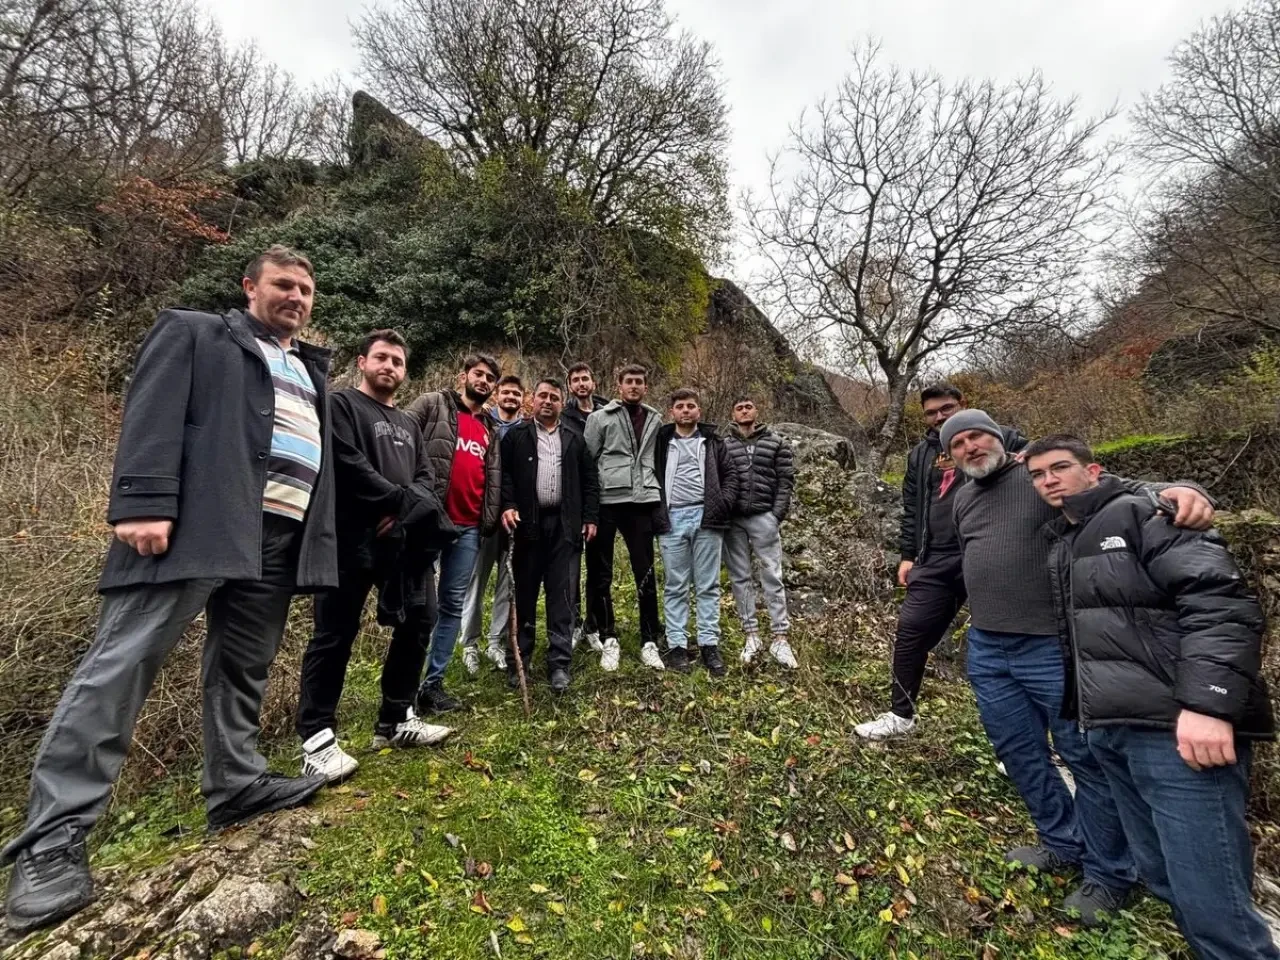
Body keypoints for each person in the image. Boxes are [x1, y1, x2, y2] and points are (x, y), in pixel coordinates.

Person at [3, 246, 337, 934]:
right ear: (250, 286)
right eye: (283, 284)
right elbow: (151, 412)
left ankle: (237, 783)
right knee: (122, 665)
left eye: (305, 290)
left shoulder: (307, 367)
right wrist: (142, 499)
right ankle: (51, 842)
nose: (296, 298)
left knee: (244, 665)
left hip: (276, 538)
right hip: (197, 522)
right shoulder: (194, 332)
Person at [946, 408, 1214, 925]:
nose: (970, 446)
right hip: (988, 647)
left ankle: (1110, 873)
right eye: (958, 442)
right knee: (1019, 753)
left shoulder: (1036, 478)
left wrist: (1181, 489)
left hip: (1054, 647)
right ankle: (1059, 841)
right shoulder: (962, 498)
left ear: (998, 437)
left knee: (1085, 758)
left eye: (978, 434)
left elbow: (1119, 488)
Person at [1028, 434, 1278, 960]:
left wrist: (1210, 705)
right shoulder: (1066, 540)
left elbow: (1221, 606)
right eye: (1038, 474)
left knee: (1217, 906)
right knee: (1165, 879)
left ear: (1092, 470)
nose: (1048, 480)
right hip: (1114, 730)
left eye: (1060, 468)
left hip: (1178, 736)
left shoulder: (1147, 514)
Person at [296, 329, 455, 784]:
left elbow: (426, 479)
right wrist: (395, 503)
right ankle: (317, 737)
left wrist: (403, 513)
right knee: (334, 634)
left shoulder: (407, 424)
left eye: (398, 362)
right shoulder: (341, 405)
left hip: (403, 542)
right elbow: (347, 464)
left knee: (419, 621)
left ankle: (395, 718)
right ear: (363, 362)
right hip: (350, 540)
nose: (390, 367)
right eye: (382, 358)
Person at [856, 384, 1024, 739]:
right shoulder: (920, 454)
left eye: (946, 408)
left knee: (1004, 643)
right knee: (911, 631)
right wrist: (907, 555)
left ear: (963, 405)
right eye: (931, 413)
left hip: (988, 553)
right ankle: (901, 715)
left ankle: (1022, 739)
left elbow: (1052, 463)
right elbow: (912, 508)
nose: (939, 417)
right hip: (935, 557)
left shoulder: (999, 438)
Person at [404, 355, 503, 713]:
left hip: (469, 528)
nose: (484, 380)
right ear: (463, 376)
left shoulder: (490, 427)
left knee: (451, 605)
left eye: (490, 377)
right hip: (429, 521)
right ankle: (404, 686)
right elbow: (401, 443)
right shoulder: (432, 405)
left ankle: (433, 685)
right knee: (417, 606)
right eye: (479, 374)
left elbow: (491, 476)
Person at [500, 379, 599, 693]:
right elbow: (503, 476)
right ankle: (520, 660)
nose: (548, 401)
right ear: (532, 399)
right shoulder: (516, 436)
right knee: (525, 595)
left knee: (563, 597)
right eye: (542, 395)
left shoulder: (575, 437)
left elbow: (590, 480)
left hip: (565, 527)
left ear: (561, 402)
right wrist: (508, 505)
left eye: (554, 397)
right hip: (527, 526)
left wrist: (590, 517)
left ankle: (559, 664)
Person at [583, 364, 664, 672]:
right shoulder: (599, 418)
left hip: (642, 502)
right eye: (629, 381)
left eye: (639, 382)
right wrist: (589, 509)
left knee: (645, 572)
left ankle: (649, 640)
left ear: (645, 386)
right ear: (619, 385)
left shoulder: (655, 418)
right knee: (600, 572)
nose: (634, 386)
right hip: (606, 502)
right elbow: (588, 463)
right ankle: (608, 637)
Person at [653, 389, 739, 675]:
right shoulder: (661, 442)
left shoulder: (713, 442)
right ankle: (677, 645)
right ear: (672, 413)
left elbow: (731, 476)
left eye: (691, 406)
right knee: (675, 585)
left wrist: (721, 504)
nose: (686, 411)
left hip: (706, 517)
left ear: (699, 412)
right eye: (680, 407)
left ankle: (708, 644)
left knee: (708, 584)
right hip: (672, 518)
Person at [720, 395, 798, 668]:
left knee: (772, 576)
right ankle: (751, 635)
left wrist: (776, 516)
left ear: (757, 410)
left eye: (748, 407)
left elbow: (786, 480)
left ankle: (780, 638)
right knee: (740, 578)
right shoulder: (724, 444)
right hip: (734, 521)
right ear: (733, 413)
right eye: (739, 407)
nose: (744, 411)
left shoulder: (776, 442)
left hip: (764, 516)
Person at [459, 375, 525, 677]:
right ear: (497, 395)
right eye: (506, 392)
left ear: (524, 398)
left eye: (516, 393)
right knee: (476, 581)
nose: (511, 397)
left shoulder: (528, 429)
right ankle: (469, 643)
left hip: (516, 518)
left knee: (507, 585)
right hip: (484, 516)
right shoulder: (484, 423)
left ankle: (496, 642)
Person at [561, 362, 609, 649]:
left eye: (585, 378)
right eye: (575, 379)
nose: (581, 383)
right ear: (570, 386)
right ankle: (574, 623)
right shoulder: (565, 417)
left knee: (599, 565)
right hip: (575, 499)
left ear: (594, 382)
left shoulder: (609, 413)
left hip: (607, 498)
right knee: (572, 568)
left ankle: (595, 624)